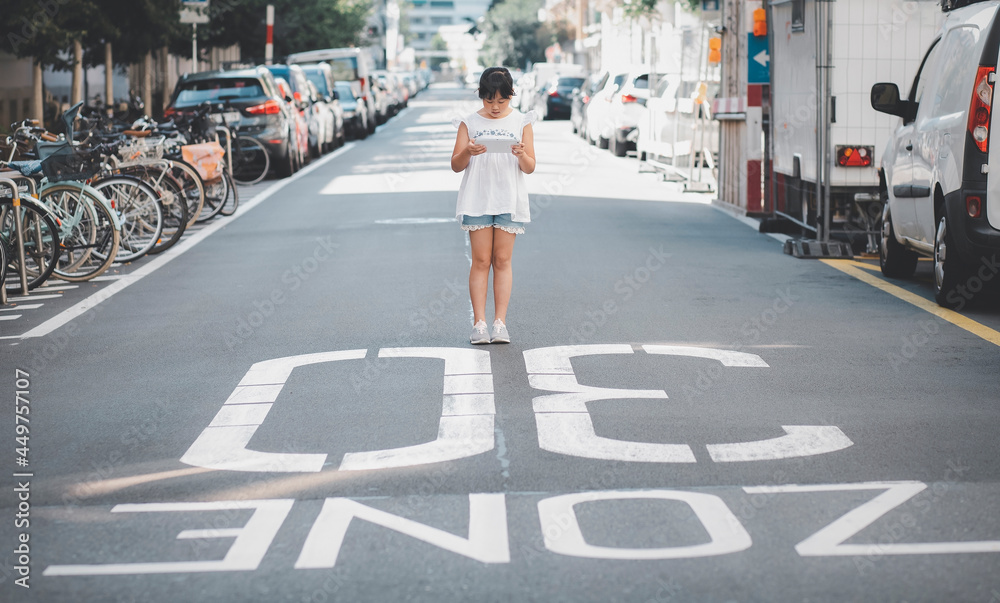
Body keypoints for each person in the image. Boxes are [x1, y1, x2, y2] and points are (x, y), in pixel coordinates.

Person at [451, 67, 536, 345]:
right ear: (481, 96)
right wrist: (468, 151)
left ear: (511, 95)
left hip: (508, 198)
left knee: (502, 260)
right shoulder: (469, 122)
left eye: (502, 101)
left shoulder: (522, 121)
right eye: (489, 101)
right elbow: (456, 165)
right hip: (478, 198)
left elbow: (530, 167)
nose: (496, 107)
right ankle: (479, 323)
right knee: (481, 260)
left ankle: (500, 323)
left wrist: (522, 154)